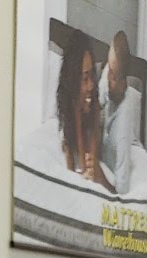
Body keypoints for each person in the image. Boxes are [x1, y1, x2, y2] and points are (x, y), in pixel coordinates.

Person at [55, 28, 103, 182]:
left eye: (92, 75)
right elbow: (75, 169)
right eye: (84, 78)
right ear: (73, 81)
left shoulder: (93, 104)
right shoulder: (65, 117)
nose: (91, 85)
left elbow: (89, 167)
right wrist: (76, 109)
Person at [98, 29, 136, 197]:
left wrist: (101, 179)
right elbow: (97, 101)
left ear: (123, 81)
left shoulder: (122, 131)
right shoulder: (109, 74)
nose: (107, 77)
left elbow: (122, 192)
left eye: (112, 75)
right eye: (109, 69)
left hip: (109, 178)